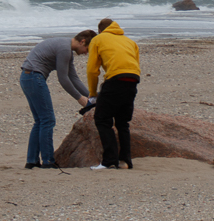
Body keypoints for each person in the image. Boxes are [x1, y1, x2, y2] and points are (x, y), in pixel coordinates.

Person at [20, 29, 96, 169]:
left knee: (40, 121)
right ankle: (48, 161)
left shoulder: (66, 48)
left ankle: (32, 161)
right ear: (82, 41)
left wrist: (92, 96)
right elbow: (63, 79)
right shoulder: (64, 49)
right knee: (47, 120)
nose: (86, 53)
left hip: (27, 76)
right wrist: (80, 98)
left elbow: (73, 78)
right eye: (87, 49)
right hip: (34, 77)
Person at [86, 17, 141, 170]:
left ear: (100, 30)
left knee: (102, 119)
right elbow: (135, 63)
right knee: (123, 122)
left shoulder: (98, 39)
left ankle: (109, 161)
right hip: (133, 79)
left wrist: (93, 93)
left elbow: (92, 70)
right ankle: (126, 161)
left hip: (115, 79)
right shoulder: (130, 42)